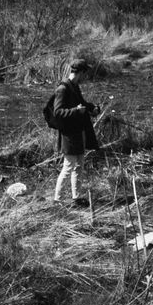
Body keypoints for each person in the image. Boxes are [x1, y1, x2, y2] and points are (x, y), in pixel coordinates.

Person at [51, 60, 101, 207]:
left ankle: (76, 198)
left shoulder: (74, 86)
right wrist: (75, 111)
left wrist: (92, 108)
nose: (86, 77)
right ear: (81, 73)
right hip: (68, 135)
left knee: (79, 165)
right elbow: (57, 112)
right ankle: (57, 200)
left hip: (78, 133)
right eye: (85, 74)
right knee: (68, 167)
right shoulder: (63, 89)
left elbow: (82, 103)